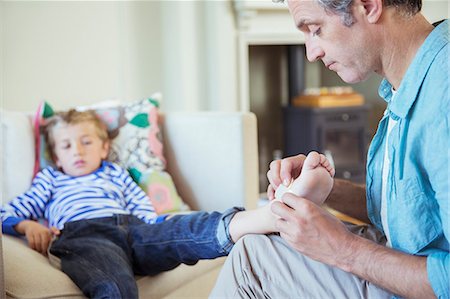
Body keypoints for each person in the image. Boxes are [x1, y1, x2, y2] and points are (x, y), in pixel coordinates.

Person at [210, 0, 449, 298]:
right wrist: (329, 189)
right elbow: (413, 214)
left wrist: (343, 250)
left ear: (368, 5)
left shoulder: (444, 96)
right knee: (260, 245)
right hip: (405, 253)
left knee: (252, 262)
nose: (312, 53)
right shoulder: (412, 79)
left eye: (315, 29)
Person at [0, 109, 335, 298]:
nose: (77, 151)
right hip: (84, 236)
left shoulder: (115, 173)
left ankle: (269, 215)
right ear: (55, 156)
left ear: (104, 148)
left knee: (187, 230)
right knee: (114, 286)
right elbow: (7, 212)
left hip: (135, 229)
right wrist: (26, 225)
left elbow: (141, 205)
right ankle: (279, 212)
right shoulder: (50, 180)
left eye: (86, 142)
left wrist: (154, 225)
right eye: (66, 146)